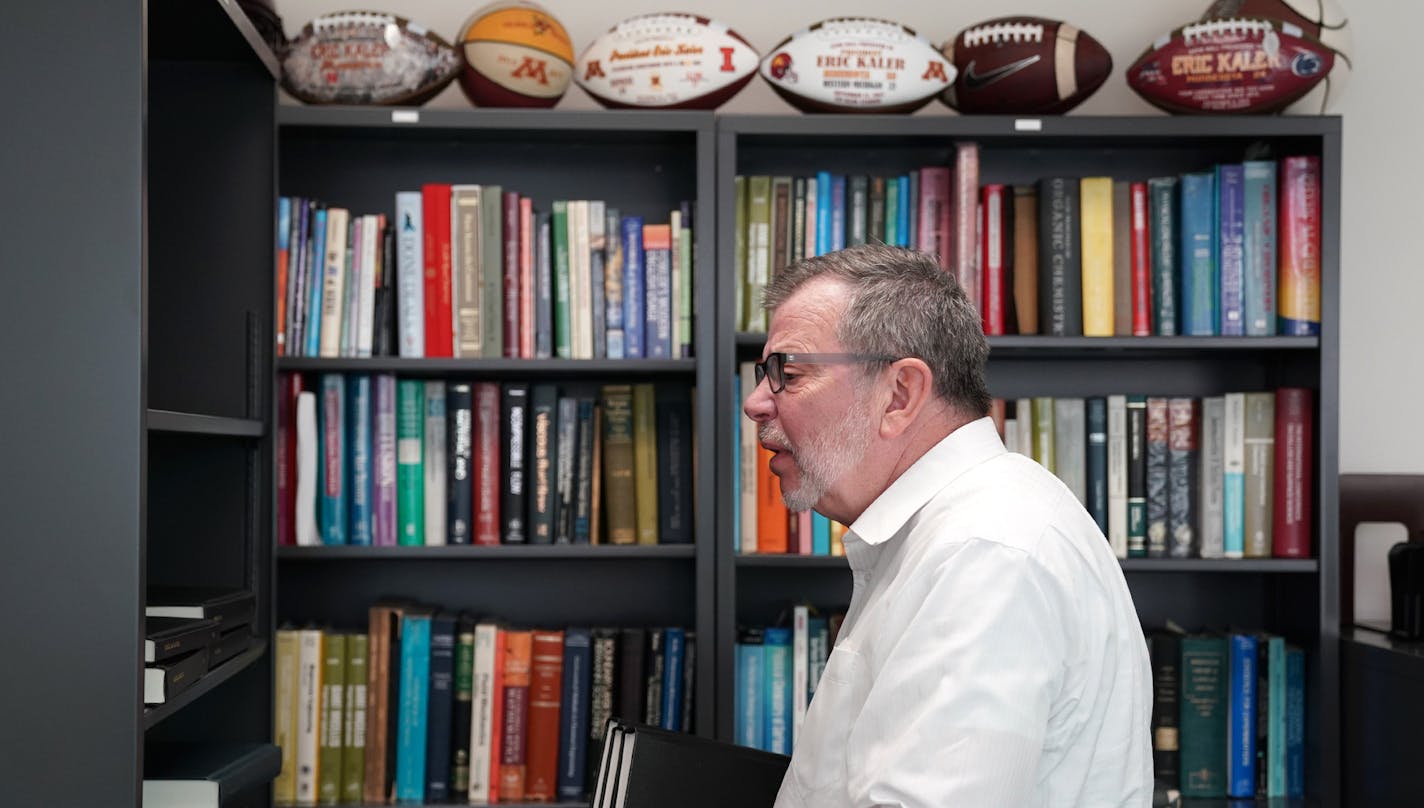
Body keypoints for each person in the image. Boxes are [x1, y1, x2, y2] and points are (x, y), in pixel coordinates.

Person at [743, 244, 1153, 807]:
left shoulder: (983, 552)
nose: (756, 402)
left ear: (900, 394)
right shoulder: (955, 532)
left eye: (786, 373)